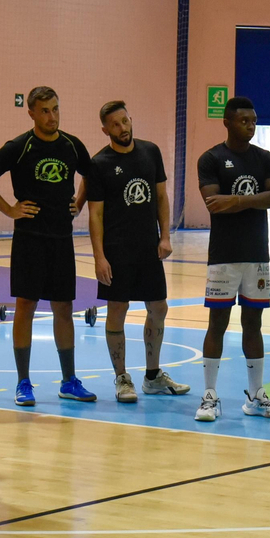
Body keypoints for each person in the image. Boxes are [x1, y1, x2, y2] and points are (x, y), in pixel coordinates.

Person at [0, 86, 95, 407]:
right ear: (31, 113)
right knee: (26, 306)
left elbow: (92, 175)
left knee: (63, 308)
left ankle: (69, 380)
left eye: (55, 109)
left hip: (61, 239)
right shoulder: (20, 146)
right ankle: (23, 382)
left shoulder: (71, 145)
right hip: (29, 240)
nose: (52, 116)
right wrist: (9, 209)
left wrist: (79, 202)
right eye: (44, 111)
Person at [86, 101, 187, 403]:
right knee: (118, 311)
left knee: (159, 308)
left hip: (148, 248)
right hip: (116, 251)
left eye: (125, 121)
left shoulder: (150, 152)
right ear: (105, 129)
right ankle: (121, 378)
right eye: (115, 124)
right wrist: (99, 257)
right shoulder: (99, 164)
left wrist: (165, 236)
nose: (123, 128)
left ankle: (153, 376)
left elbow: (161, 197)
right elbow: (95, 215)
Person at [195, 96, 270, 421]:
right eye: (244, 120)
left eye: (254, 120)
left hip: (257, 255)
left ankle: (255, 396)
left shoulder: (266, 158)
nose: (251, 125)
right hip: (223, 256)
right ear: (227, 122)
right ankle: (209, 396)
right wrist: (253, 199)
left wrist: (234, 199)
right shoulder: (211, 159)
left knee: (253, 324)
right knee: (216, 324)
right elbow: (212, 203)